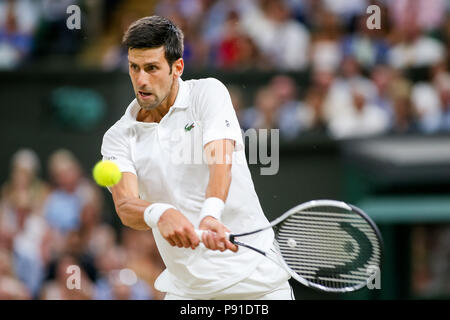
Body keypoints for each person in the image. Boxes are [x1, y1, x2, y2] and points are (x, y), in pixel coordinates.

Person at [100, 16, 293, 300]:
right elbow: (126, 204)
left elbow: (220, 163)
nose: (141, 80)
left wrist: (210, 215)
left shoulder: (208, 93)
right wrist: (160, 213)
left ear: (177, 67)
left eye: (152, 68)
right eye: (134, 68)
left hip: (258, 285)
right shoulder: (117, 137)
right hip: (186, 292)